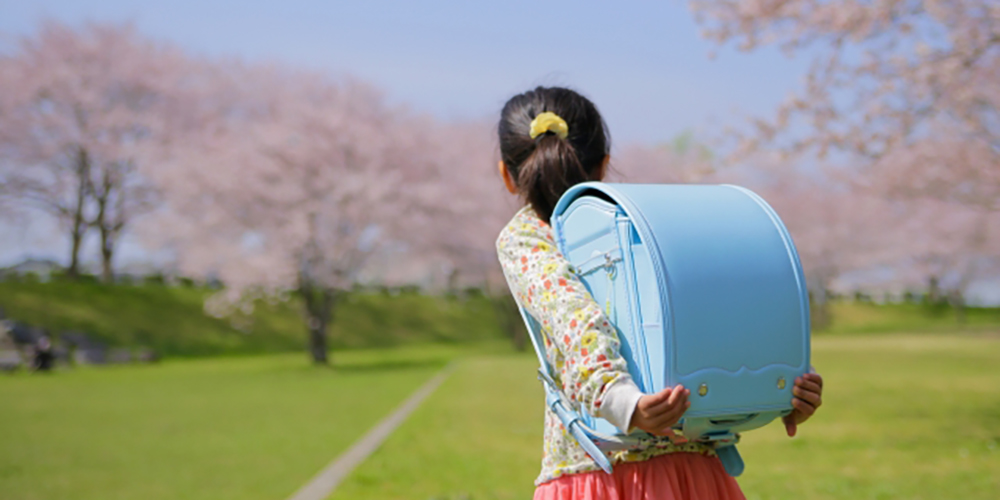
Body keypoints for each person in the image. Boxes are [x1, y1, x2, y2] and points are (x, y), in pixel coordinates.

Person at [495, 86, 824, 500]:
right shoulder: (649, 221)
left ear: (507, 174)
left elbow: (572, 318)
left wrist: (623, 402)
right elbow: (716, 312)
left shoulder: (527, 237)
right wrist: (779, 389)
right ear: (604, 164)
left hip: (601, 469)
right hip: (696, 471)